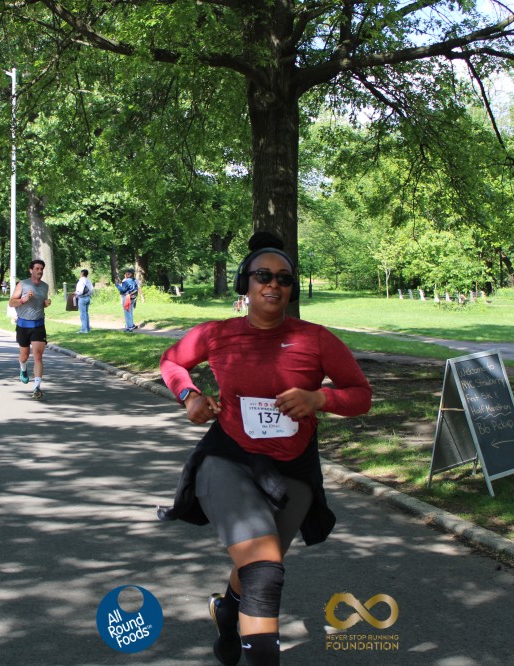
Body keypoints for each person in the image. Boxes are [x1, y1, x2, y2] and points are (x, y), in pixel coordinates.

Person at [158, 232, 372, 666]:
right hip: (229, 458)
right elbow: (172, 361)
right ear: (246, 283)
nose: (273, 285)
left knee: (260, 564)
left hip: (293, 467)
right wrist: (189, 396)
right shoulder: (217, 334)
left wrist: (320, 398)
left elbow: (361, 394)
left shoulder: (316, 339)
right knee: (264, 570)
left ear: (292, 288)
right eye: (263, 276)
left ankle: (227, 612)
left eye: (283, 279)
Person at [8, 259, 52, 400]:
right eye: (37, 268)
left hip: (38, 325)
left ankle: (37, 387)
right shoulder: (23, 284)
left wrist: (45, 303)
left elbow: (40, 304)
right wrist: (23, 300)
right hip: (23, 326)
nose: (40, 271)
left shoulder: (45, 286)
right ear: (31, 270)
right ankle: (23, 368)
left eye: (41, 269)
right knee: (24, 356)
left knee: (38, 356)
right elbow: (11, 302)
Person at [75, 269, 93, 333]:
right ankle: (88, 328)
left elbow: (80, 291)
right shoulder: (88, 281)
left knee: (83, 314)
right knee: (86, 313)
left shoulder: (81, 281)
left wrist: (76, 293)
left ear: (82, 273)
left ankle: (84, 329)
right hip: (88, 297)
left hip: (82, 298)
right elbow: (91, 290)